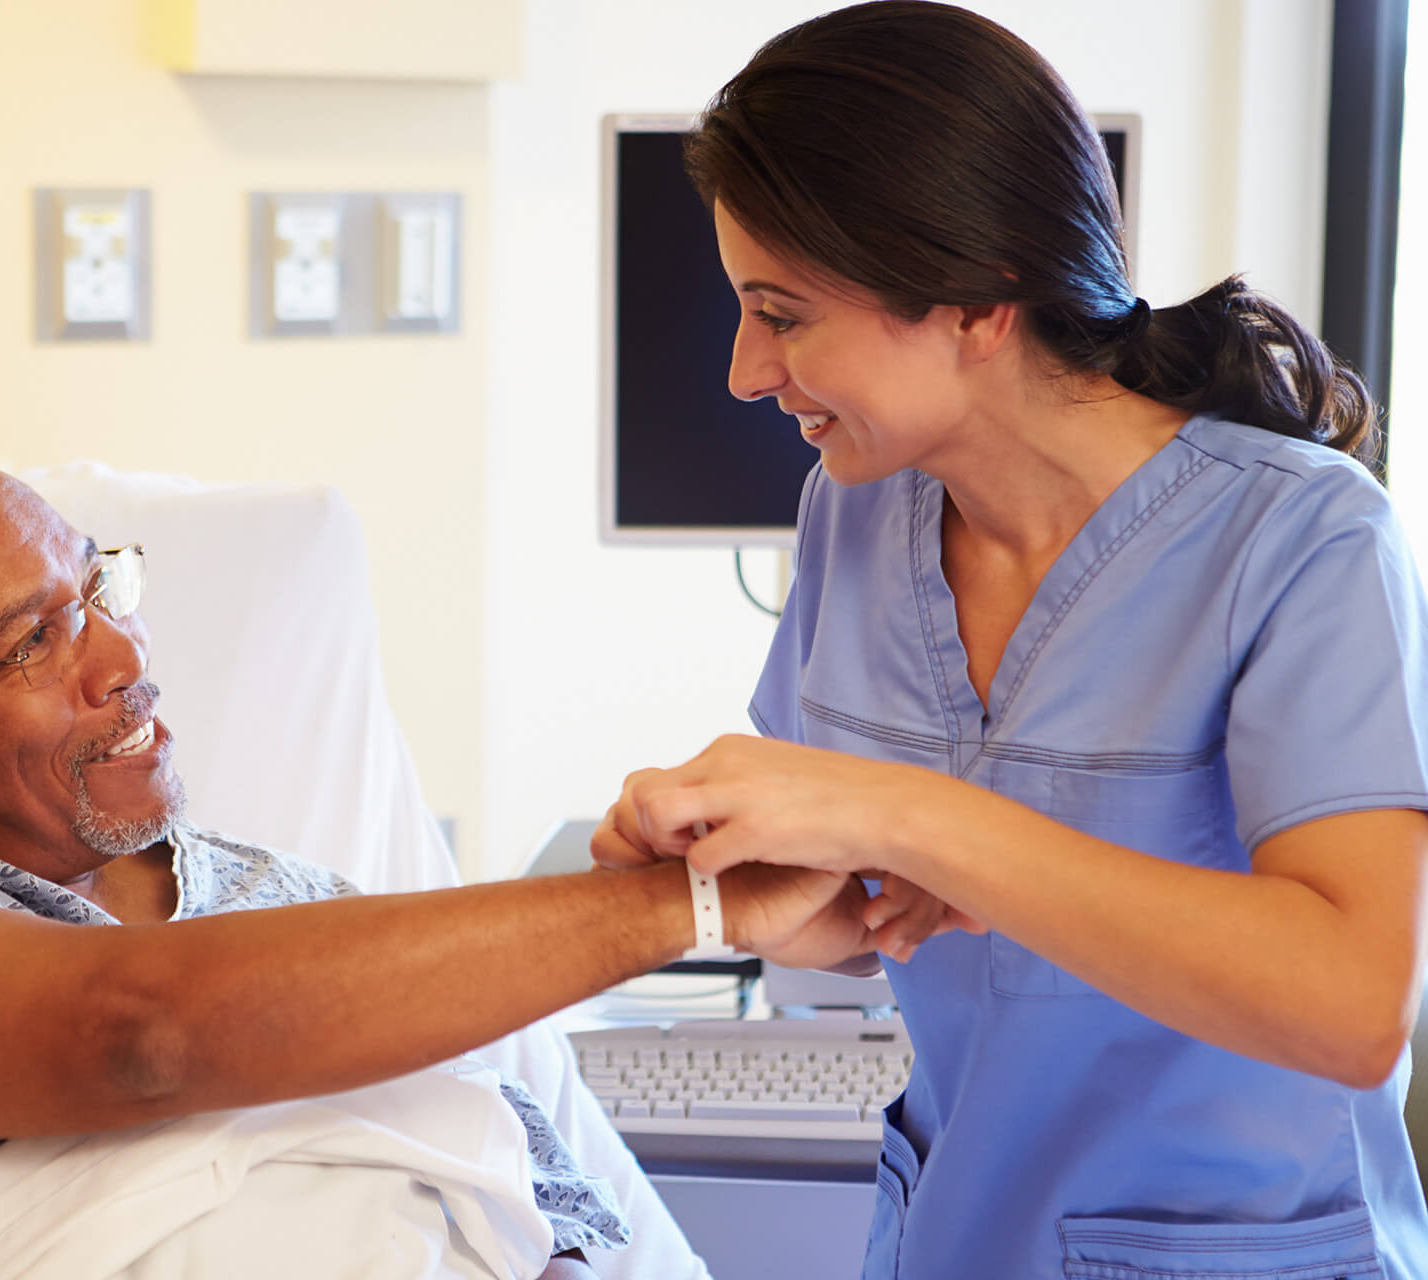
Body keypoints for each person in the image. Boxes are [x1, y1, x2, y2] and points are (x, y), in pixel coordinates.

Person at [593, 4, 1428, 1278]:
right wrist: (762, 898)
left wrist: (911, 816)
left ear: (978, 302)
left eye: (784, 313)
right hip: (954, 1236)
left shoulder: (1303, 541)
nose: (746, 374)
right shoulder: (854, 513)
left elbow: (1356, 1002)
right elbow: (877, 884)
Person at [0, 456, 875, 1280]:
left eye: (99, 585)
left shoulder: (298, 910)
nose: (122, 660)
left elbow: (538, 1211)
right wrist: (683, 902)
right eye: (36, 639)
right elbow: (133, 1032)